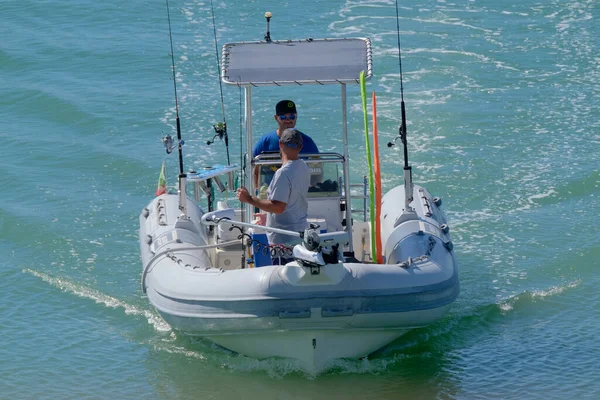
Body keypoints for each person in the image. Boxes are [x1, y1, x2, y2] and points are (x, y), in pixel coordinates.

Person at [238, 128, 310, 264]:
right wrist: (269, 216)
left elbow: (278, 207)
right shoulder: (303, 167)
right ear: (300, 147)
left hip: (284, 241)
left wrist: (249, 199)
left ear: (280, 145)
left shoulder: (283, 174)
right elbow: (292, 201)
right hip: (300, 233)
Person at [253, 100, 319, 186]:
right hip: (271, 193)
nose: (288, 120)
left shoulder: (308, 142)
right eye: (283, 117)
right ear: (276, 118)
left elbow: (317, 169)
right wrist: (257, 191)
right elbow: (255, 170)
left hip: (298, 192)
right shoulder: (265, 142)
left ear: (296, 117)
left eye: (292, 117)